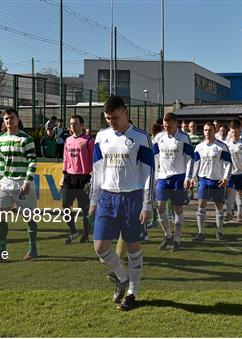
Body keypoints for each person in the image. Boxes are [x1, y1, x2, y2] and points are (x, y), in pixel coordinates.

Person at [89, 95, 154, 311]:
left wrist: (147, 204)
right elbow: (97, 171)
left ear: (125, 112)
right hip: (107, 197)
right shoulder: (101, 136)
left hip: (132, 198)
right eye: (107, 118)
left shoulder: (141, 137)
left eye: (114, 118)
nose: (111, 122)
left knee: (133, 247)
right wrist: (94, 199)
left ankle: (132, 293)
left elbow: (148, 174)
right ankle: (122, 277)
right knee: (100, 247)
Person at [0, 108, 38, 262]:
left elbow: (32, 161)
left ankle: (33, 249)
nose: (9, 121)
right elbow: (0, 162)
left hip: (22, 185)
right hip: (6, 184)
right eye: (6, 119)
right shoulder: (1, 139)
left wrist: (27, 182)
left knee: (29, 218)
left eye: (11, 118)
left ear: (17, 119)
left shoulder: (26, 139)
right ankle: (1, 252)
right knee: (0, 217)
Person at [153, 112, 194, 251]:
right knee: (160, 207)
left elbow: (190, 158)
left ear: (175, 123)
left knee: (178, 209)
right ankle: (167, 235)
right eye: (165, 125)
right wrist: (155, 176)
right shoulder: (159, 137)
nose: (167, 128)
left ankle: (177, 239)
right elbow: (155, 158)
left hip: (179, 177)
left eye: (169, 125)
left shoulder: (184, 137)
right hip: (163, 178)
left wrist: (188, 177)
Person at [192, 122, 231, 241]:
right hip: (203, 180)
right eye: (205, 130)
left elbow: (228, 163)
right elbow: (195, 164)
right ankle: (201, 233)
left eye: (210, 130)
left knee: (219, 207)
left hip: (217, 181)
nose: (207, 132)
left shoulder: (221, 146)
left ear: (215, 131)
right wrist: (193, 177)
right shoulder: (199, 147)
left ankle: (219, 232)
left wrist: (225, 178)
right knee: (201, 205)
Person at [61, 114, 94, 244]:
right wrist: (64, 176)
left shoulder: (89, 140)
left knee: (85, 208)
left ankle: (86, 233)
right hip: (69, 177)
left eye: (75, 123)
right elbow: (65, 159)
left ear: (81, 125)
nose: (72, 126)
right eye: (71, 124)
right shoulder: (68, 140)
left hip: (84, 178)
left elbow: (93, 160)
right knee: (65, 204)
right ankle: (73, 231)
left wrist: (91, 178)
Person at [225, 121, 242, 223]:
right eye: (232, 132)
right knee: (230, 193)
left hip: (241, 173)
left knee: (240, 194)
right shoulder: (226, 144)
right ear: (230, 132)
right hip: (230, 173)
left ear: (239, 132)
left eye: (236, 132)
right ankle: (229, 212)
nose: (234, 134)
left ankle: (239, 214)